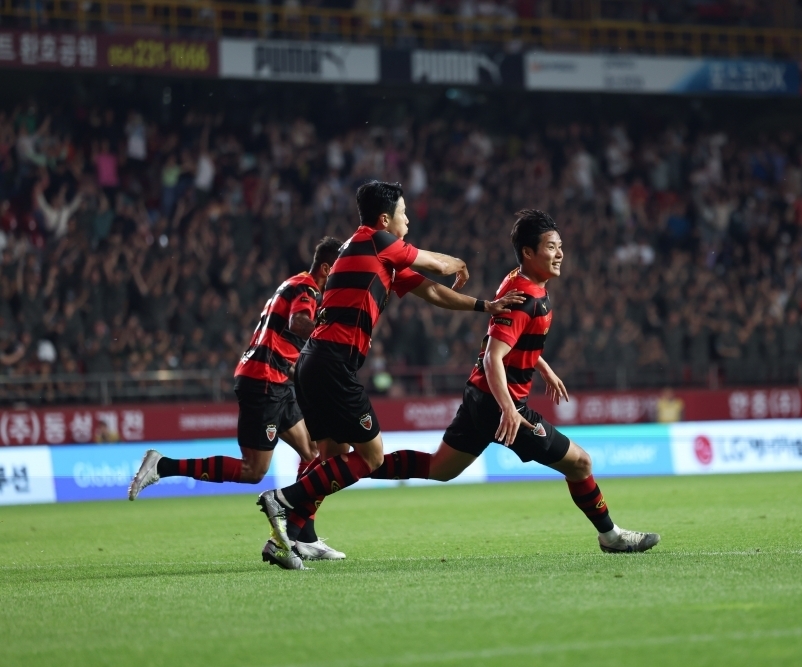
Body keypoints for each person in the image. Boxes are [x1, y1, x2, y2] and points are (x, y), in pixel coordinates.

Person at [262, 209, 660, 569]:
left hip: (480, 399)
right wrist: (509, 409)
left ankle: (345, 474)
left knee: (437, 468)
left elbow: (503, 342)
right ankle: (610, 536)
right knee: (581, 463)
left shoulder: (520, 284)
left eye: (560, 247)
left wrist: (542, 366)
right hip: (498, 403)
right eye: (552, 247)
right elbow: (493, 358)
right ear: (527, 251)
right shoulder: (524, 298)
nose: (560, 254)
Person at [256, 181, 524, 570]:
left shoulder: (373, 254)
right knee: (371, 456)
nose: (408, 220)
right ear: (385, 220)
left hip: (314, 361)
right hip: (332, 362)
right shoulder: (377, 241)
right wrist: (458, 263)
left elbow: (432, 292)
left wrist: (486, 306)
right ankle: (282, 501)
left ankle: (289, 539)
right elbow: (437, 266)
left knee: (333, 454)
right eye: (403, 214)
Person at [128, 237, 348, 563]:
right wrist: (328, 328)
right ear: (327, 269)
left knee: (314, 451)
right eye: (340, 275)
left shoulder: (293, 282)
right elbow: (299, 322)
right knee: (252, 471)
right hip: (263, 382)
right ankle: (162, 465)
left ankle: (305, 537)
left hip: (277, 380)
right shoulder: (308, 290)